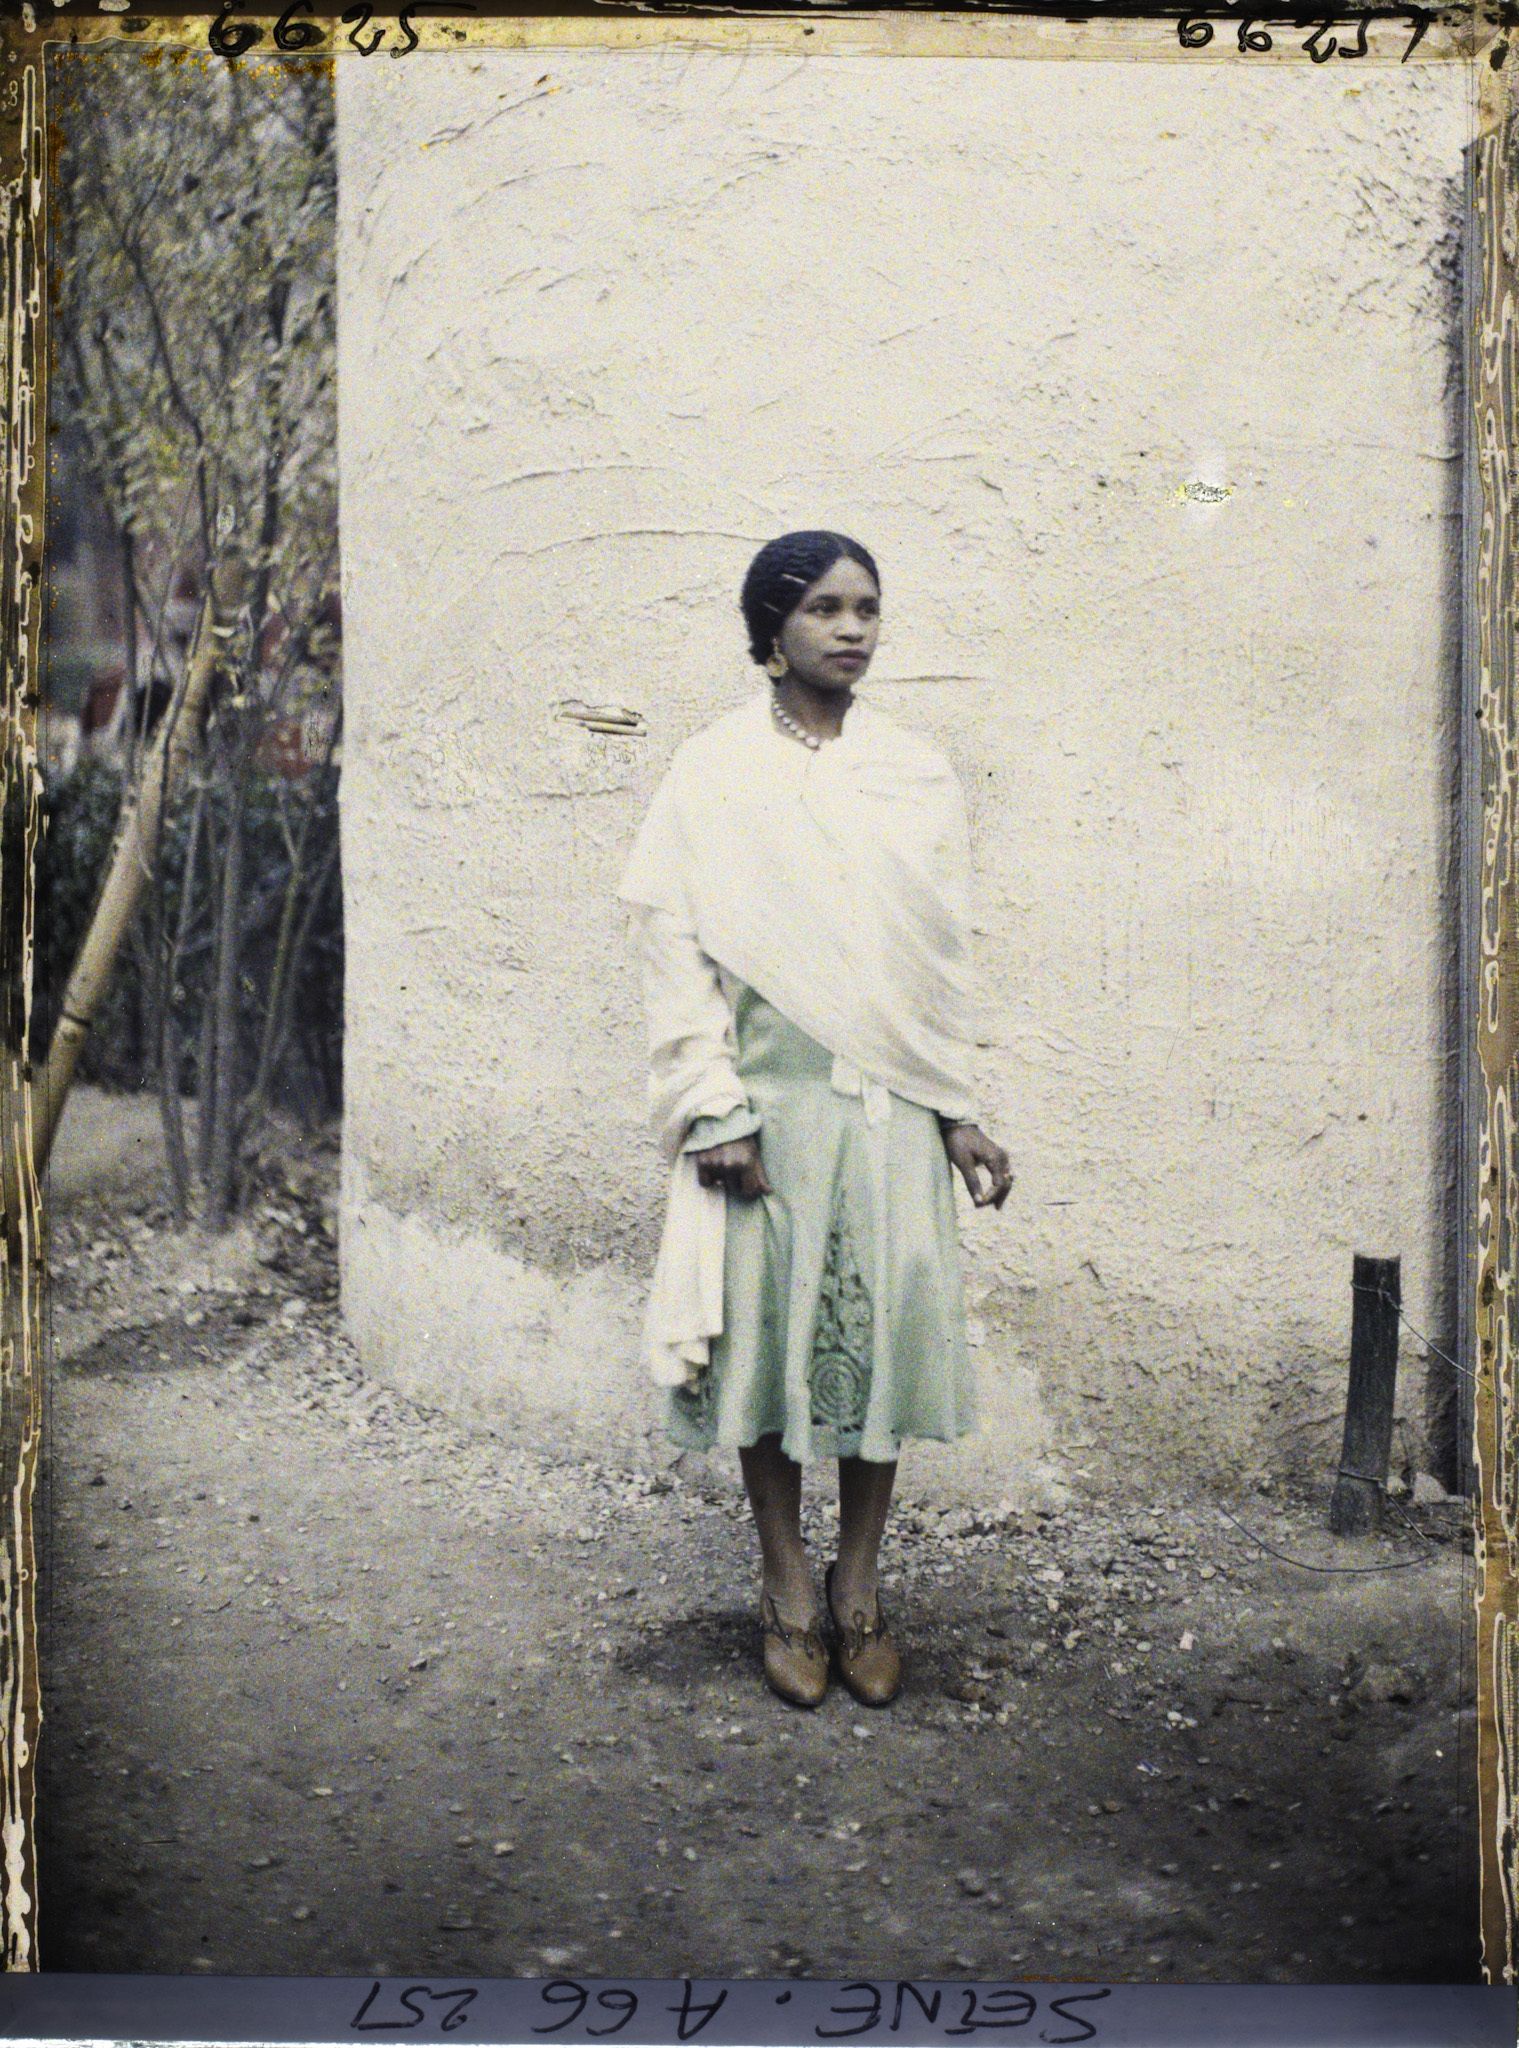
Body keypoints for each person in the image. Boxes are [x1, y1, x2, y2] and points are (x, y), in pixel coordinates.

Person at [617, 530, 1012, 1711]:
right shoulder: (715, 770)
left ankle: (861, 1584)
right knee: (772, 1345)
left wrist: (957, 1112)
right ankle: (786, 1578)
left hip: (888, 1110)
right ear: (771, 625)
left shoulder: (913, 773)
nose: (851, 629)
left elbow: (930, 966)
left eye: (867, 608)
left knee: (878, 1338)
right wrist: (711, 1106)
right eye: (825, 608)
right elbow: (671, 941)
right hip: (770, 1108)